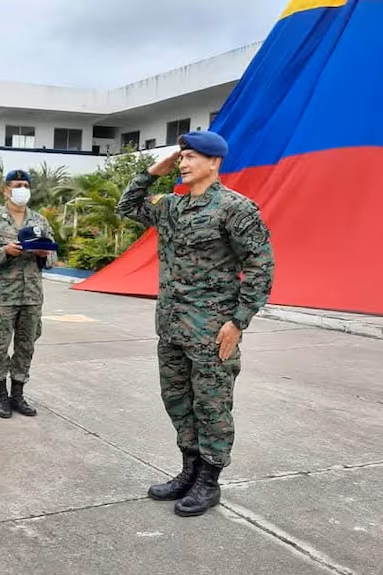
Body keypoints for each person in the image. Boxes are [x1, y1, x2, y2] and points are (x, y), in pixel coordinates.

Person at [115, 130, 275, 517]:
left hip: (211, 329)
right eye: (181, 157)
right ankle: (188, 469)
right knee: (177, 401)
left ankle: (209, 480)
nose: (183, 163)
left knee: (212, 405)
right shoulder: (171, 206)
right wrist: (155, 169)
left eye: (191, 157)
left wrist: (237, 323)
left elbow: (260, 268)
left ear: (214, 162)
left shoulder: (236, 209)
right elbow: (126, 206)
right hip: (170, 326)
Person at [0, 170, 57, 419]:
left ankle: (18, 394)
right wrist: (5, 251)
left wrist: (45, 255)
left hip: (32, 296)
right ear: (7, 190)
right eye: (18, 185)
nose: (23, 189)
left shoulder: (40, 221)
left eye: (26, 185)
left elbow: (53, 257)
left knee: (26, 347)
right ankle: (1, 395)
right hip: (4, 297)